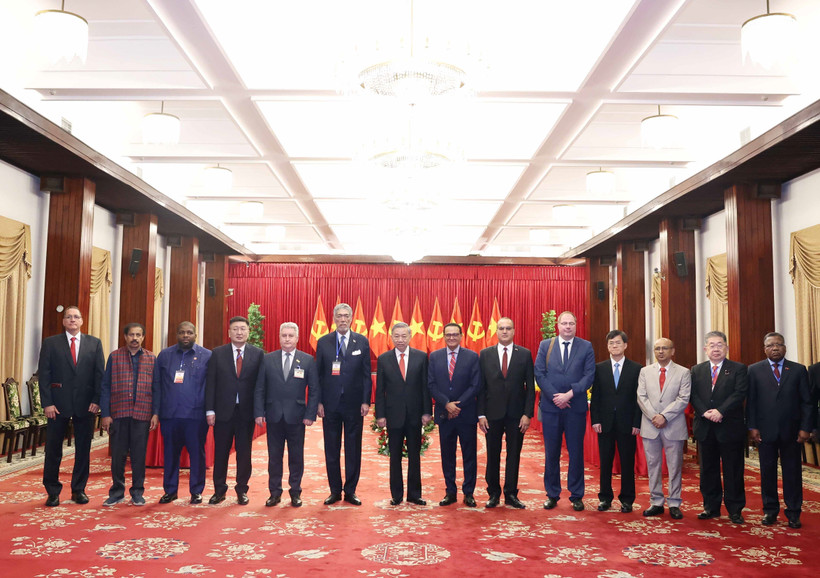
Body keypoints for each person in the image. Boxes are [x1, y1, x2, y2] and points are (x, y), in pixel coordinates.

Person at [38, 306, 105, 507]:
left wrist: (97, 400)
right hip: (57, 406)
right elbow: (44, 375)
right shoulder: (51, 343)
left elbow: (99, 375)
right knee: (53, 450)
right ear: (63, 321)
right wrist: (47, 403)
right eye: (69, 317)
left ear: (82, 321)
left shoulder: (94, 343)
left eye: (76, 317)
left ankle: (79, 490)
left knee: (83, 450)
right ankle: (52, 492)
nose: (72, 320)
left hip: (86, 405)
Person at [747, 333, 814, 529]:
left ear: (785, 347)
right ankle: (770, 511)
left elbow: (807, 402)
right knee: (767, 473)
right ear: (764, 349)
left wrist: (805, 428)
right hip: (764, 431)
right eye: (770, 345)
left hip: (792, 432)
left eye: (778, 344)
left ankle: (793, 512)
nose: (775, 348)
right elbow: (751, 402)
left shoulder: (798, 370)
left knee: (792, 473)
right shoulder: (754, 370)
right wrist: (752, 427)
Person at [534, 311, 595, 511]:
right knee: (551, 452)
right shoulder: (546, 345)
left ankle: (576, 495)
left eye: (571, 323)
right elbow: (539, 373)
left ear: (576, 325)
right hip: (551, 408)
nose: (568, 327)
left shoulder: (585, 346)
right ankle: (552, 494)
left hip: (575, 408)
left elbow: (589, 376)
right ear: (558, 326)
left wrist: (569, 394)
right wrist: (555, 397)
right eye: (564, 323)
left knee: (576, 452)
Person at [254, 322, 319, 507]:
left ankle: (295, 492)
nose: (287, 339)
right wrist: (259, 411)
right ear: (279, 337)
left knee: (296, 457)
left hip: (297, 417)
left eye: (291, 335)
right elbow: (260, 388)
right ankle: (274, 493)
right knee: (274, 457)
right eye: (284, 335)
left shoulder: (307, 360)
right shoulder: (268, 359)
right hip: (273, 415)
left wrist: (310, 414)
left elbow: (314, 390)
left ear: (297, 338)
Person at [315, 303, 372, 506]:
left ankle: (350, 491)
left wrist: (366, 400)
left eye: (346, 316)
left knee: (353, 448)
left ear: (351, 318)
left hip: (354, 405)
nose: (342, 319)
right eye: (339, 316)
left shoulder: (362, 341)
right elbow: (318, 375)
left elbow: (366, 375)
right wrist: (318, 402)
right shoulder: (324, 342)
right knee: (331, 448)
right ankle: (334, 491)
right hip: (330, 405)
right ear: (333, 318)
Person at [690, 331, 748, 524]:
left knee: (733, 469)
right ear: (705, 349)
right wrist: (704, 412)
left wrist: (720, 411)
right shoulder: (696, 370)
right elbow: (693, 395)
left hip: (729, 426)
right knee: (708, 469)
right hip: (705, 426)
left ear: (727, 348)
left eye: (720, 345)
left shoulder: (738, 368)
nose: (716, 349)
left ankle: (735, 509)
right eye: (712, 345)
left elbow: (739, 393)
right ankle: (711, 507)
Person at [205, 316, 264, 505]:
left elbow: (260, 385)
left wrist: (259, 411)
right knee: (221, 452)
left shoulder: (257, 354)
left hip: (246, 413)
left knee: (244, 453)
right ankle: (219, 490)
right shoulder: (218, 353)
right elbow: (211, 383)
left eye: (242, 329)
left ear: (248, 332)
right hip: (222, 412)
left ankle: (242, 490)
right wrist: (209, 410)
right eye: (235, 329)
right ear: (229, 332)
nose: (239, 332)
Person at [151, 322, 212, 504]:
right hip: (170, 415)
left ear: (195, 335)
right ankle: (170, 490)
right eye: (182, 332)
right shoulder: (164, 355)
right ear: (176, 334)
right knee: (170, 454)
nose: (186, 335)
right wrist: (156, 412)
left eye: (189, 332)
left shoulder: (207, 356)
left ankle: (196, 491)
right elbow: (157, 385)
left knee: (197, 455)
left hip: (196, 416)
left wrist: (210, 411)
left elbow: (212, 386)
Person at [478, 317, 534, 509]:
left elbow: (530, 387)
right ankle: (493, 493)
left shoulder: (524, 354)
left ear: (514, 331)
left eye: (508, 328)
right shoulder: (485, 354)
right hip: (491, 415)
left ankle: (511, 493)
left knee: (514, 455)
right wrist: (481, 414)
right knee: (492, 454)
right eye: (501, 328)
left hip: (516, 415)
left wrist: (527, 414)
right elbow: (481, 387)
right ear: (496, 331)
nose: (504, 331)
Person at [375, 322, 432, 506]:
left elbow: (425, 387)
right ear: (391, 337)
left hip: (415, 415)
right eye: (397, 336)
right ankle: (396, 495)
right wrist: (380, 415)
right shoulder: (384, 359)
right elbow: (380, 390)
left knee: (415, 456)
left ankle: (414, 494)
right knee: (395, 457)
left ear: (410, 337)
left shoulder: (421, 357)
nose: (400, 340)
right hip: (393, 415)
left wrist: (427, 412)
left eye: (404, 336)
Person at [99, 323, 156, 506]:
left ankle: (137, 492)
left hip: (142, 413)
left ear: (143, 337)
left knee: (139, 456)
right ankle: (117, 492)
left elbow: (157, 388)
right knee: (118, 456)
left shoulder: (151, 358)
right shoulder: (115, 357)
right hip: (119, 413)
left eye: (138, 335)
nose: (135, 338)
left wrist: (155, 413)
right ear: (125, 337)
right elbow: (105, 386)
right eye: (131, 335)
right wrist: (106, 414)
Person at [637, 337, 691, 520]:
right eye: (657, 348)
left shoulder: (683, 372)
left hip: (673, 425)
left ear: (672, 351)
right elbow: (641, 397)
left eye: (664, 348)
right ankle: (656, 502)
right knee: (653, 465)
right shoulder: (645, 371)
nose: (660, 351)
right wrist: (655, 416)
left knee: (675, 466)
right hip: (650, 425)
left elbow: (683, 398)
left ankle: (674, 502)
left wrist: (664, 416)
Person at [428, 322, 481, 507]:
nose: (451, 337)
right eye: (448, 334)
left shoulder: (472, 356)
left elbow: (475, 385)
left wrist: (457, 405)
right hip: (444, 414)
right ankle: (450, 491)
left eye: (455, 334)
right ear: (444, 336)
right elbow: (431, 384)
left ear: (461, 336)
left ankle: (469, 493)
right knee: (447, 455)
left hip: (466, 414)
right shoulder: (435, 357)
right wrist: (446, 404)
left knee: (469, 455)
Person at [590, 330, 641, 513]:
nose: (614, 346)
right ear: (607, 347)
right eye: (611, 343)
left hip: (628, 424)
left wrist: (637, 422)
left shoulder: (636, 369)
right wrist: (595, 419)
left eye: (618, 343)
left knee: (627, 462)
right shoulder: (599, 368)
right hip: (605, 423)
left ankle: (627, 500)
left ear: (625, 345)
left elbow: (639, 399)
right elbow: (595, 396)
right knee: (605, 463)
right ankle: (605, 498)